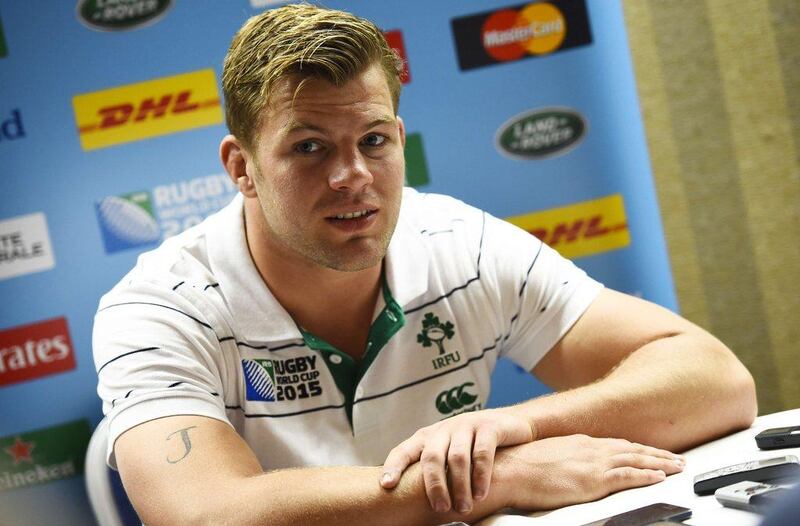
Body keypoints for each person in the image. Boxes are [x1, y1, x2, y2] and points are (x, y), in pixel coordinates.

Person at [92, 4, 757, 525]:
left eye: (373, 141)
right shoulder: (159, 306)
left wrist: (517, 427)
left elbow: (717, 381)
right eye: (310, 148)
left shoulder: (459, 244)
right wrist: (484, 481)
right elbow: (204, 514)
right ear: (242, 168)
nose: (352, 176)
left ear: (399, 139)